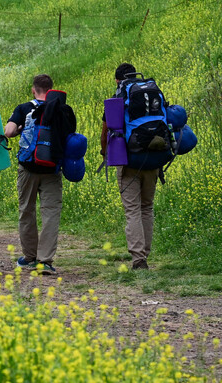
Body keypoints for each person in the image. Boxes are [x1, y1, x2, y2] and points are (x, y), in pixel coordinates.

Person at [4, 74, 75, 276]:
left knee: (27, 210)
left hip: (28, 168)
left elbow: (8, 132)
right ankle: (45, 261)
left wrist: (18, 129)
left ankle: (29, 258)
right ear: (52, 89)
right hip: (52, 168)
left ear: (33, 90)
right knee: (51, 213)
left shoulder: (24, 108)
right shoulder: (60, 109)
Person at [101, 63, 157, 270]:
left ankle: (139, 259)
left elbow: (106, 128)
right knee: (147, 207)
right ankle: (146, 254)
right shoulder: (150, 93)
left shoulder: (119, 97)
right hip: (153, 158)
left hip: (129, 160)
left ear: (118, 80)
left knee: (132, 209)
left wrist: (104, 152)